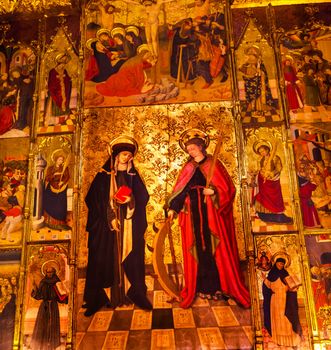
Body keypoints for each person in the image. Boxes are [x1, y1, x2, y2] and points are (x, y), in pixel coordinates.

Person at [166, 129, 250, 309]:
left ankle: (220, 287)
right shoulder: (188, 168)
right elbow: (180, 190)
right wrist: (173, 209)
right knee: (199, 250)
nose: (190, 152)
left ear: (201, 147)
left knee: (214, 249)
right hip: (193, 215)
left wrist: (214, 192)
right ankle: (201, 287)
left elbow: (229, 189)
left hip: (211, 215)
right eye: (188, 150)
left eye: (193, 148)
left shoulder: (214, 164)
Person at [83, 136, 152, 316]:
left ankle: (135, 294)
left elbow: (143, 198)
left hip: (129, 225)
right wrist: (110, 217)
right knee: (104, 258)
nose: (126, 158)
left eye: (129, 155)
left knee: (132, 255)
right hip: (107, 229)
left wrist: (131, 201)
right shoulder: (103, 176)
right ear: (115, 155)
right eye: (123, 154)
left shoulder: (132, 176)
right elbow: (92, 200)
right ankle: (100, 298)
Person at [262, 256, 302, 347]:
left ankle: (291, 339)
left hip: (284, 299)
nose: (281, 265)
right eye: (279, 263)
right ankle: (278, 339)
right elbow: (268, 286)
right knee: (276, 319)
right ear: (276, 263)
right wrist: (264, 279)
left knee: (285, 317)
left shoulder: (286, 275)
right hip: (274, 299)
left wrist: (295, 286)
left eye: (283, 264)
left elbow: (292, 287)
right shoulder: (271, 275)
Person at [252, 140, 293, 224]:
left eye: (263, 150)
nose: (262, 153)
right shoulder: (261, 159)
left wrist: (271, 173)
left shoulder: (275, 157)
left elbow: (278, 168)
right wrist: (261, 172)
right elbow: (260, 168)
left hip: (273, 182)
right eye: (260, 152)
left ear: (267, 149)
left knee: (275, 198)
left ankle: (278, 215)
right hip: (262, 181)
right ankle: (264, 215)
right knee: (262, 198)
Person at [31, 266, 68, 350]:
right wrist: (34, 288)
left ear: (54, 272)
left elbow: (61, 296)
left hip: (53, 306)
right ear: (45, 273)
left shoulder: (57, 282)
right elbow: (38, 295)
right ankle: (41, 343)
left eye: (51, 272)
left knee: (53, 324)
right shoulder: (43, 282)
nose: (49, 274)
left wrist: (66, 296)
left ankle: (53, 344)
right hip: (44, 306)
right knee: (43, 323)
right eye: (48, 272)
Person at [43, 151, 70, 230]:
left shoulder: (65, 167)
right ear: (55, 160)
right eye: (59, 160)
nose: (60, 161)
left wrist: (62, 181)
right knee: (50, 204)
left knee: (61, 206)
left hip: (62, 188)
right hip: (51, 188)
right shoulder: (50, 168)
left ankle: (61, 223)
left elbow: (67, 176)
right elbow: (47, 178)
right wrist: (53, 175)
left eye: (62, 160)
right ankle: (50, 223)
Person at [44, 53, 72, 126]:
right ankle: (53, 121)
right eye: (62, 64)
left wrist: (68, 80)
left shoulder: (65, 71)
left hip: (63, 92)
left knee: (64, 103)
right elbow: (51, 82)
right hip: (55, 92)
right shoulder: (52, 71)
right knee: (54, 106)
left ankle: (62, 120)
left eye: (64, 64)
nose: (63, 66)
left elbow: (68, 80)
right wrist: (57, 88)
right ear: (58, 63)